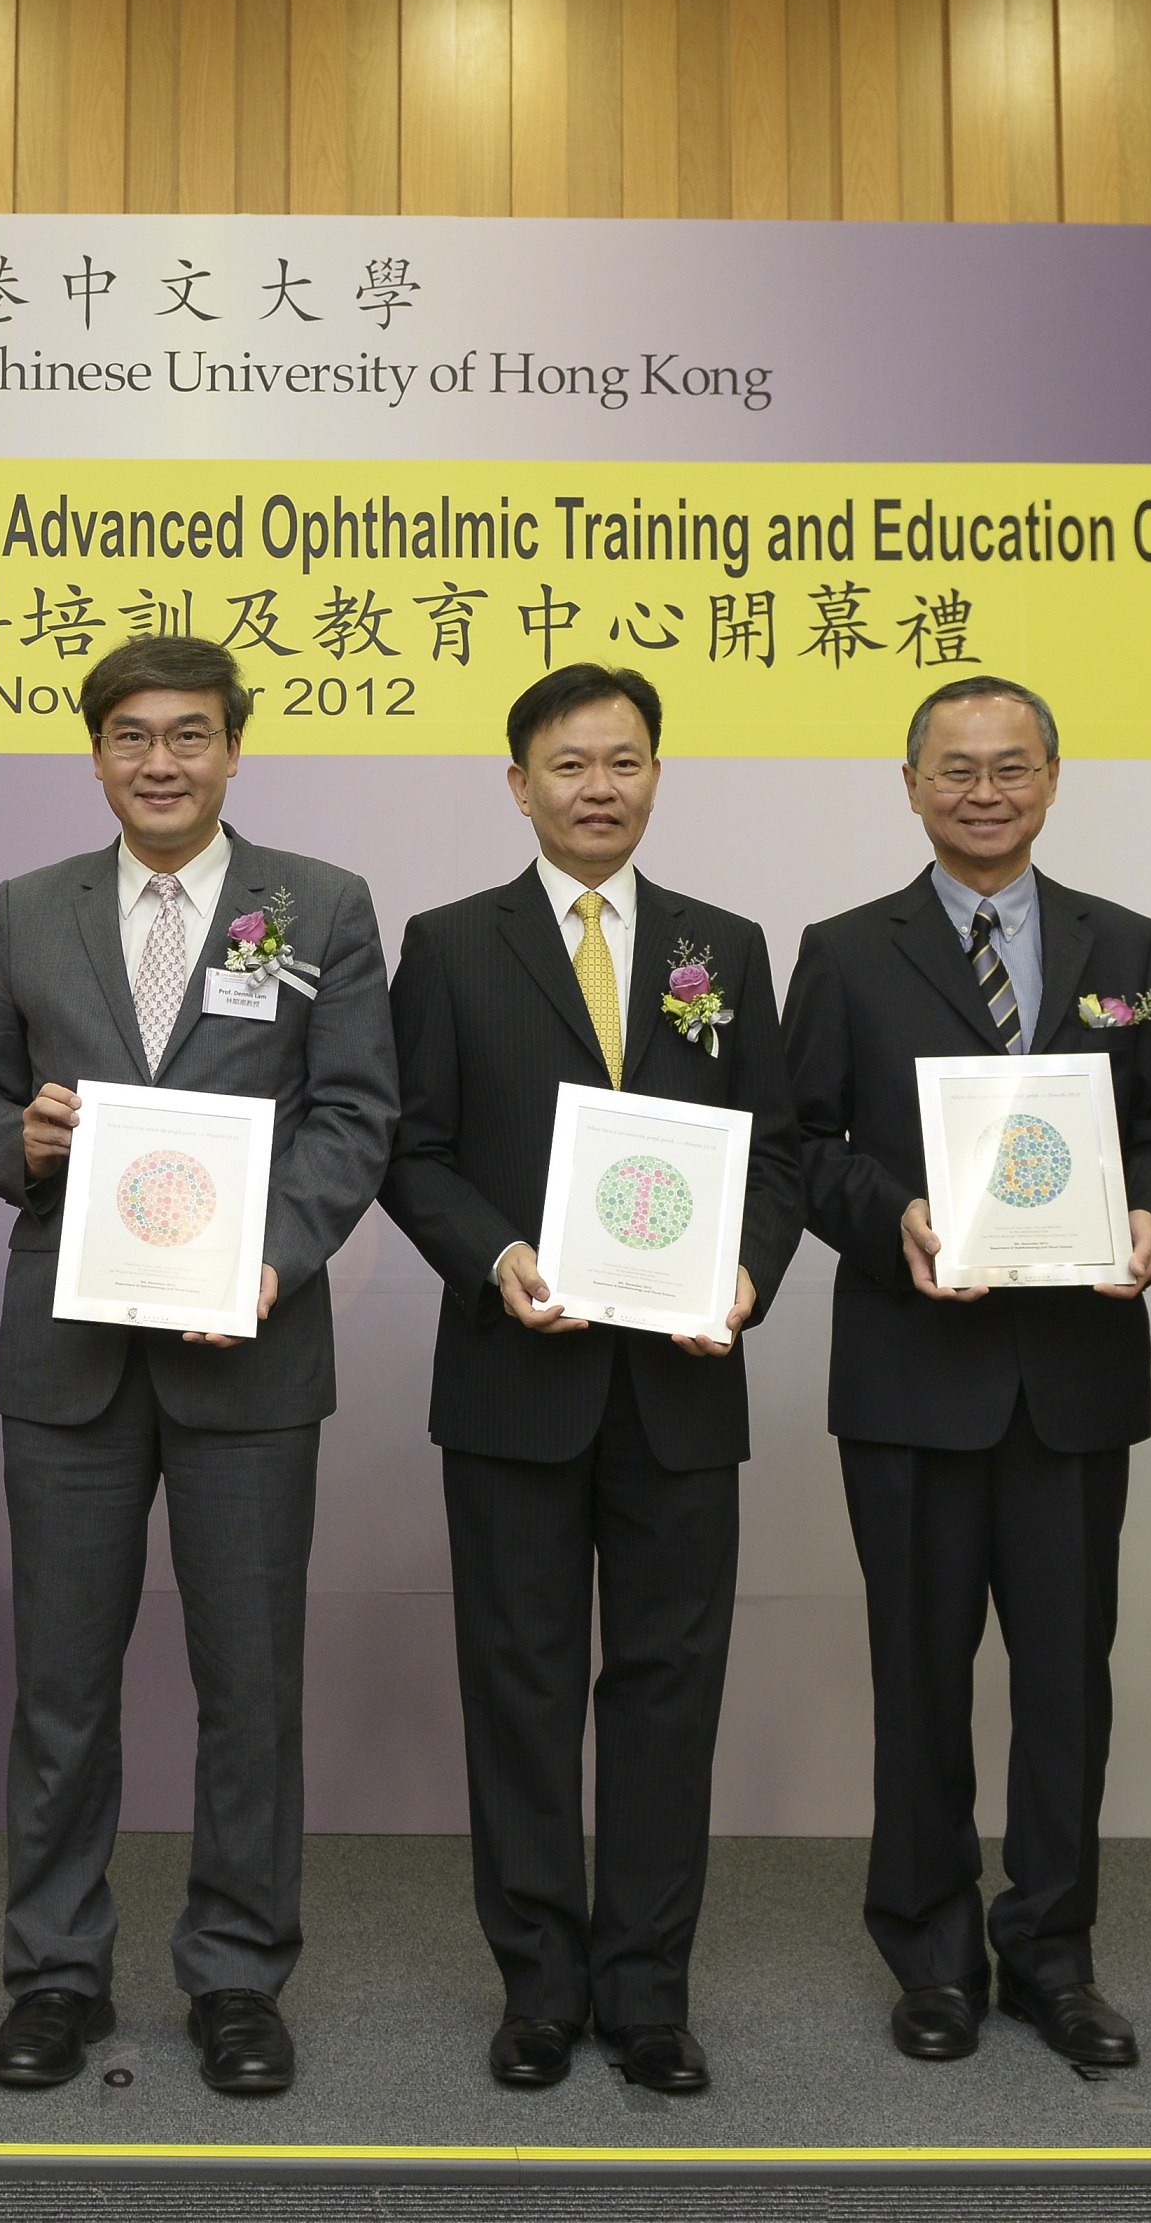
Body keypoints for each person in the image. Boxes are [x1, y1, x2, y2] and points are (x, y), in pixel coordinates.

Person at [0, 634, 397, 2097]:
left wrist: (266, 1258)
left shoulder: (318, 905)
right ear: (95, 756)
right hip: (69, 1351)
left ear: (232, 750)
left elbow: (353, 1114)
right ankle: (56, 1974)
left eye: (188, 736)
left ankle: (236, 1976)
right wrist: (18, 1141)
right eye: (131, 737)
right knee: (59, 1688)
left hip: (245, 1348)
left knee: (248, 1685)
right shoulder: (28, 909)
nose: (159, 761)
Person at [380, 666, 801, 2097]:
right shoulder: (447, 945)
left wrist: (746, 1273)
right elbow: (410, 1151)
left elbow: (779, 1150)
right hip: (516, 1375)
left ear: (656, 777)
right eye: (568, 764)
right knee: (519, 1687)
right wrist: (493, 1254)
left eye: (623, 760)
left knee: (669, 1693)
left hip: (680, 1384)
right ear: (518, 785)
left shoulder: (723, 947)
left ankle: (647, 1995)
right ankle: (539, 1989)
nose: (598, 786)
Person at [779, 672, 1151, 2067]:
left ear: (1050, 778)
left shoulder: (1122, 940)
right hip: (912, 1367)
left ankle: (1053, 1952)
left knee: (1067, 1677)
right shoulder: (843, 949)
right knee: (919, 1674)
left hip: (1070, 1371)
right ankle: (931, 1953)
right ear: (910, 786)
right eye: (953, 768)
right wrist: (884, 1213)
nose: (982, 790)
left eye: (1009, 766)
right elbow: (805, 1144)